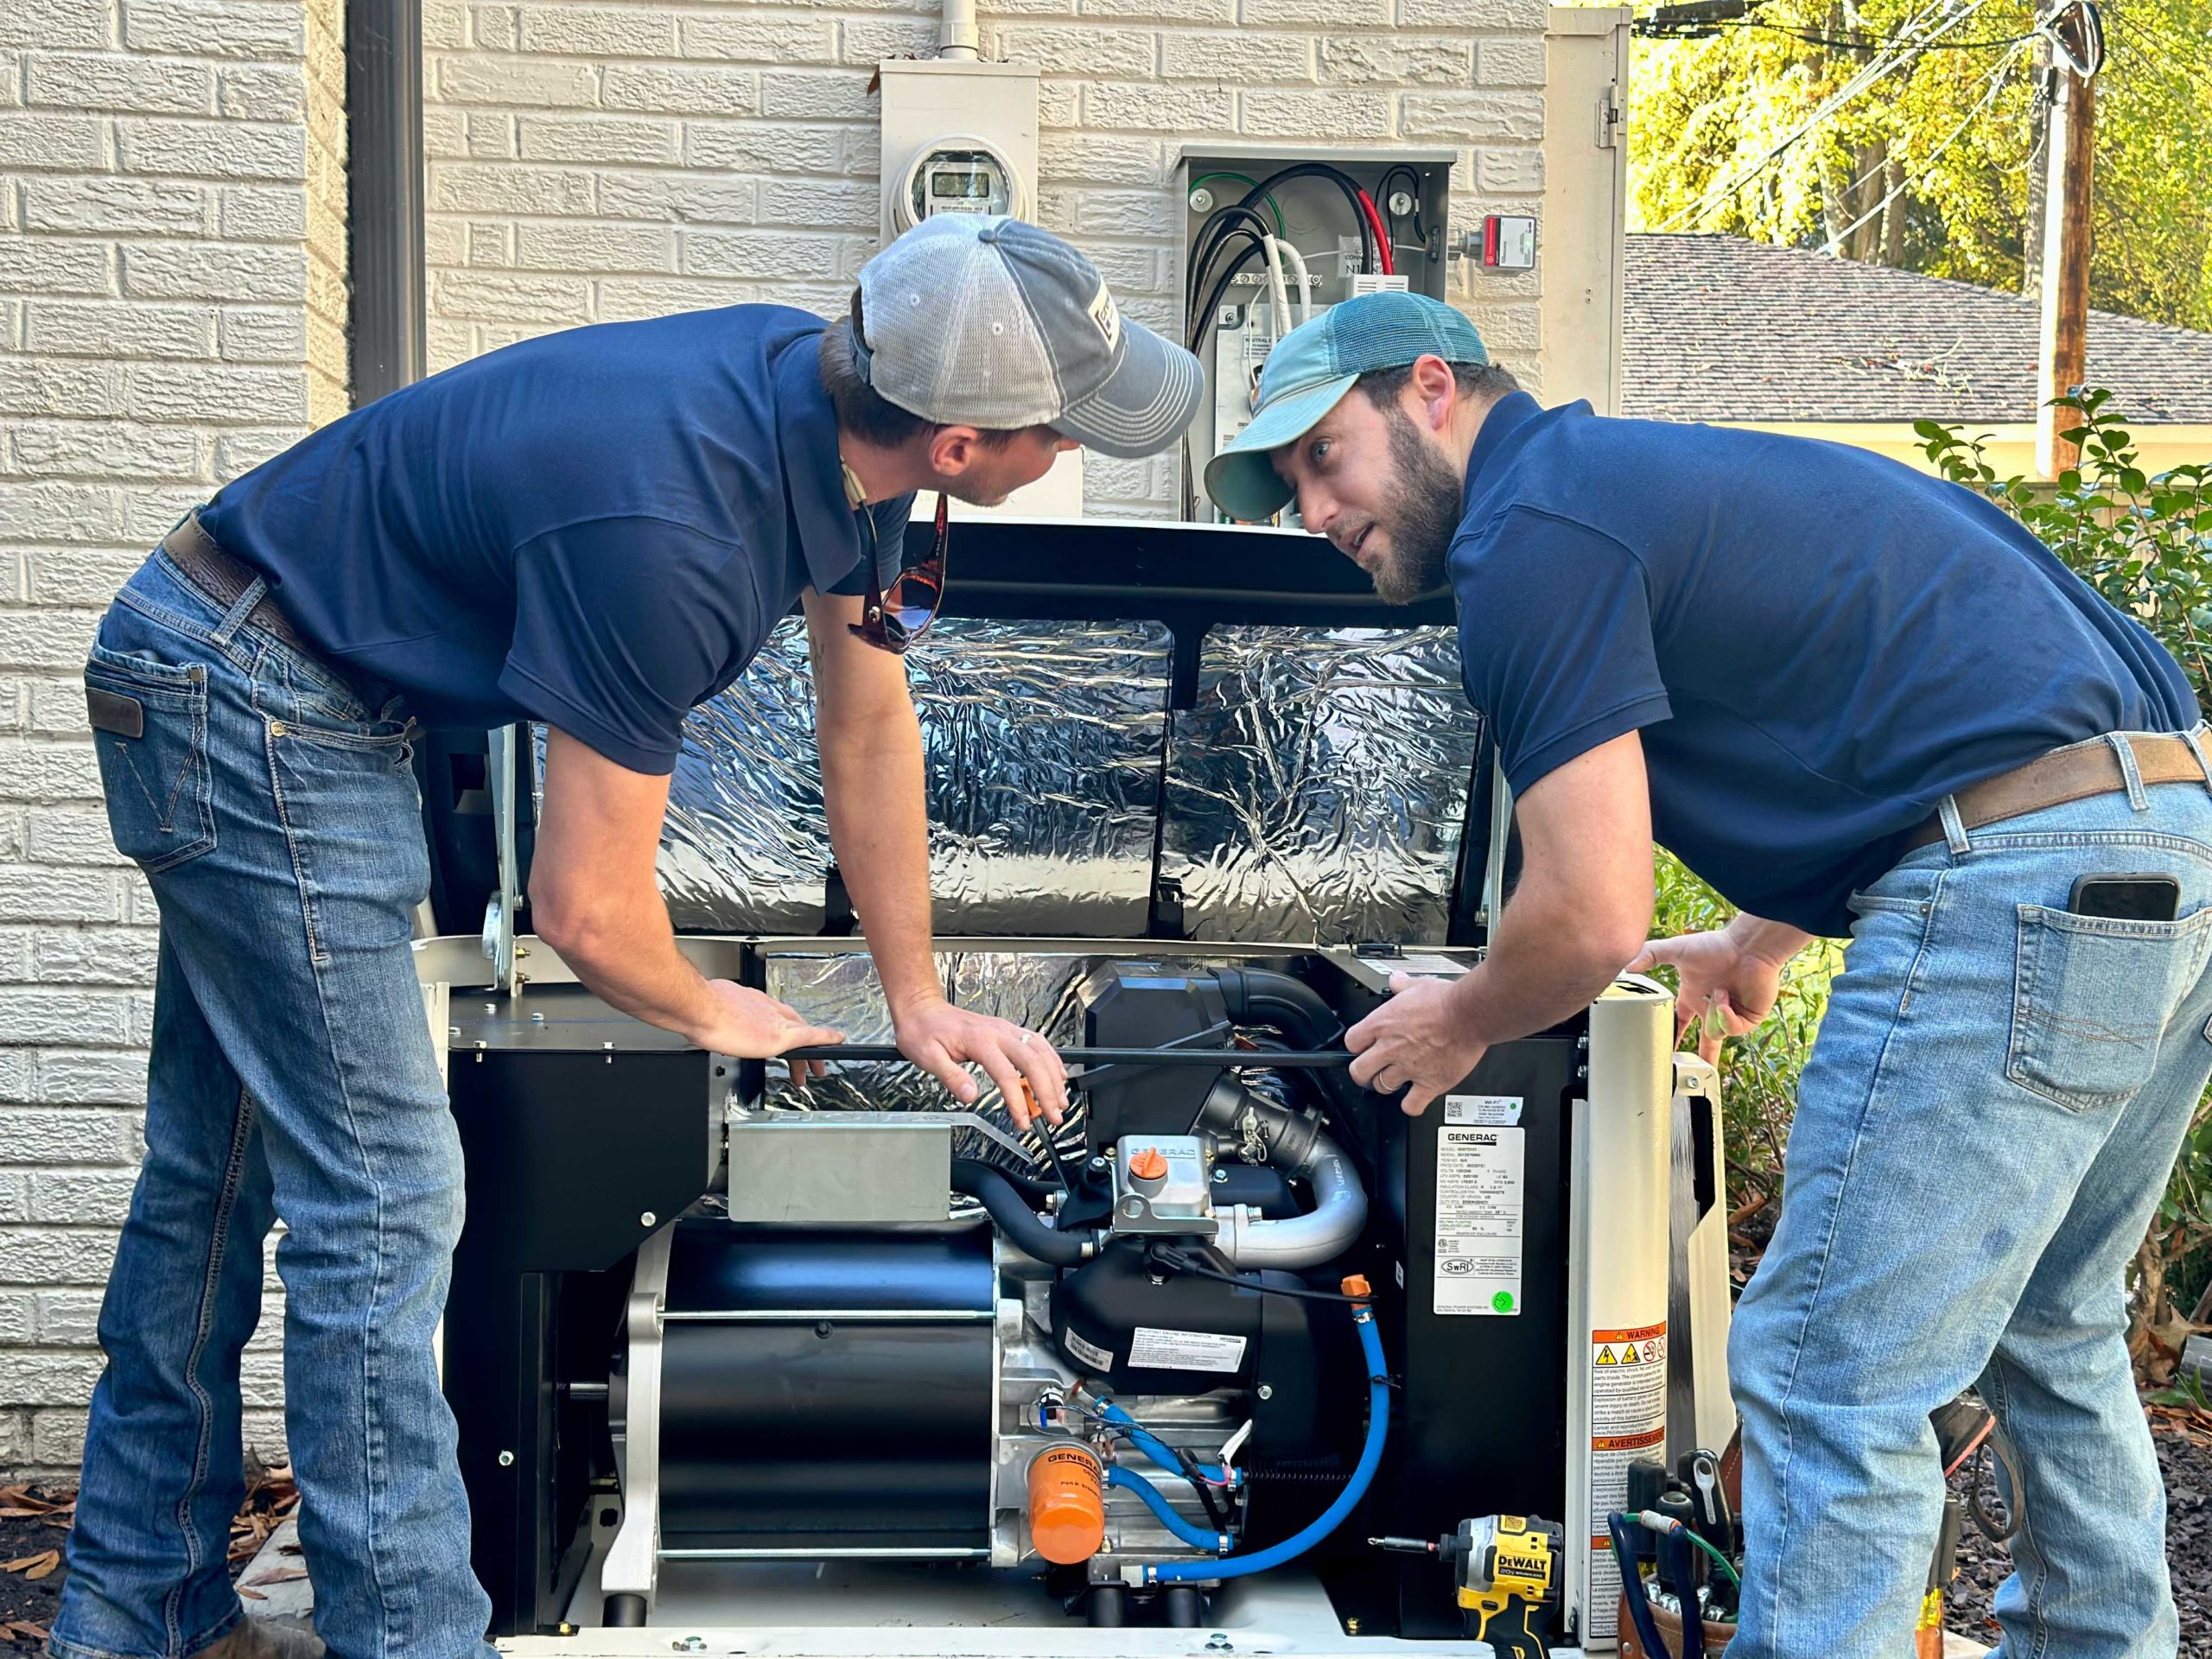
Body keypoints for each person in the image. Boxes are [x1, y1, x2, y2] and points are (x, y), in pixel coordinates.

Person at [54, 215, 1202, 1659]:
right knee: (383, 1207)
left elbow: (867, 727)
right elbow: (586, 910)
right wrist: (723, 1018)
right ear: (965, 444)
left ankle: (134, 1611)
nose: (1070, 451)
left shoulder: (836, 413)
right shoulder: (676, 527)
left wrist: (919, 1000)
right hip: (258, 701)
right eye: (1063, 429)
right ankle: (404, 1640)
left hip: (264, 674)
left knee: (215, 1179)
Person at [1205, 289, 2200, 1659]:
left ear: (1429, 388)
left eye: (1323, 456)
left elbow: (1591, 913)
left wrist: (1461, 1020)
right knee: (2055, 1328)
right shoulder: (1626, 483)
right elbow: (1948, 709)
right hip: (2166, 845)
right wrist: (1758, 938)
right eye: (1288, 485)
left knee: (1821, 1375)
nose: (1311, 507)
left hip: (2018, 879)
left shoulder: (1529, 536)